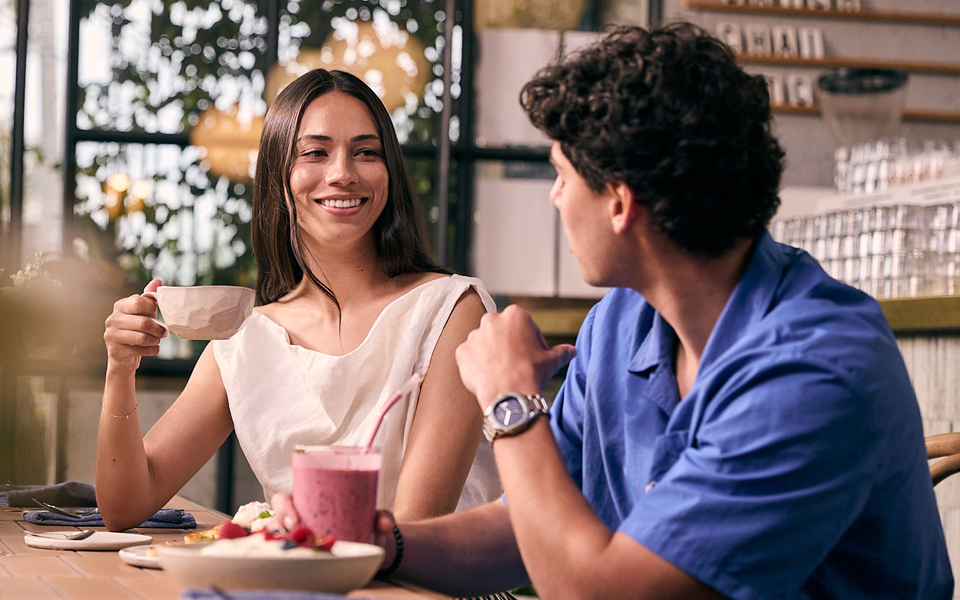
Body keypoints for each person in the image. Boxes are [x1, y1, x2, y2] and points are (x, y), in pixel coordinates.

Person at [357, 22, 952, 598]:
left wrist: (510, 400)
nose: (554, 196)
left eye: (561, 175)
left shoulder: (813, 372)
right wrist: (377, 547)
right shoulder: (620, 321)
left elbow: (598, 590)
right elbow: (525, 533)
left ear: (620, 202)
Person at [96, 69, 501, 531]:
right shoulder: (247, 337)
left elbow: (412, 531)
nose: (343, 173)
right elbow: (124, 505)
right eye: (316, 153)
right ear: (279, 176)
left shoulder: (450, 310)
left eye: (366, 152)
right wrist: (120, 368)